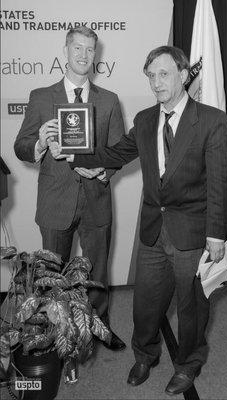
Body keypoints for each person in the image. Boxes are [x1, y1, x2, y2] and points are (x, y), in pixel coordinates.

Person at [50, 46, 227, 395]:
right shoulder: (147, 119)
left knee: (192, 306)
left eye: (164, 74)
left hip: (193, 233)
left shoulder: (211, 120)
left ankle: (189, 363)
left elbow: (219, 183)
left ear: (183, 75)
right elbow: (116, 153)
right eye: (151, 75)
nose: (156, 82)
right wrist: (73, 152)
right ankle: (145, 354)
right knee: (145, 303)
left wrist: (215, 234)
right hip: (152, 230)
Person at [14, 26, 126, 351]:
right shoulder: (41, 97)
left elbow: (118, 150)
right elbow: (21, 145)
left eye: (89, 50)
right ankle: (55, 333)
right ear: (66, 50)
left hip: (96, 202)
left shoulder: (108, 101)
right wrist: (39, 143)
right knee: (52, 275)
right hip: (55, 202)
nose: (83, 55)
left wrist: (104, 168)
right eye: (77, 48)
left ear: (96, 54)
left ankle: (98, 327)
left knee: (98, 272)